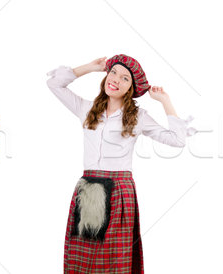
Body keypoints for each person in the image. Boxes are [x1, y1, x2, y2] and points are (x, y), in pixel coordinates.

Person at [47, 54, 193, 273]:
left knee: (112, 261)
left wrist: (165, 101)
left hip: (119, 192)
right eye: (113, 72)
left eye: (125, 78)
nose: (115, 79)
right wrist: (90, 67)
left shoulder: (138, 116)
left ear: (131, 88)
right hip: (87, 190)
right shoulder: (86, 109)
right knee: (82, 257)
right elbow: (53, 83)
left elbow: (177, 140)